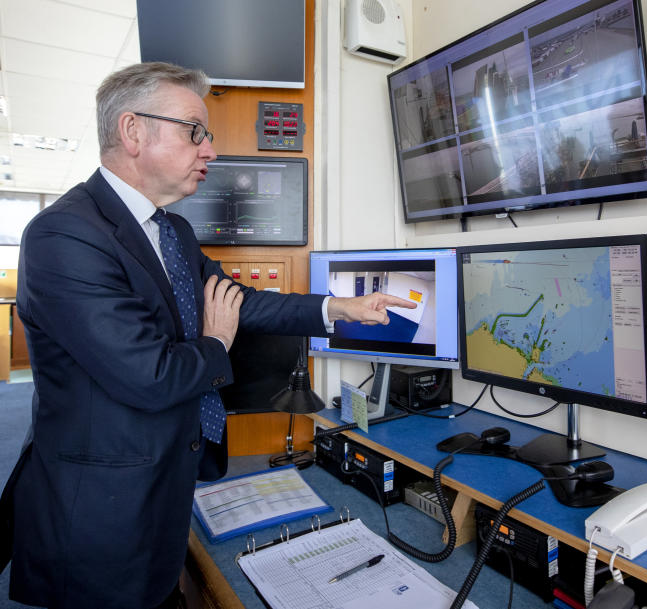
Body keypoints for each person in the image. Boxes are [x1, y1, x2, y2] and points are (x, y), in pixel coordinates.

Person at [0, 62, 414, 609]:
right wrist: (216, 343)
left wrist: (341, 307)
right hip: (101, 513)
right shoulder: (64, 234)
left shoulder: (171, 229)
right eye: (194, 131)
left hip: (164, 486)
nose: (210, 150)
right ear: (133, 131)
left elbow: (240, 301)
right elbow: (148, 376)